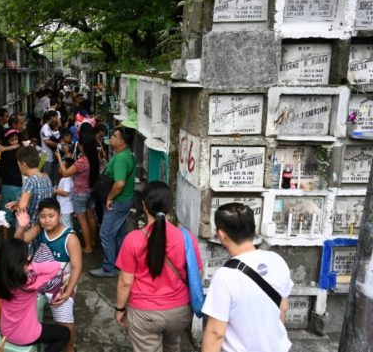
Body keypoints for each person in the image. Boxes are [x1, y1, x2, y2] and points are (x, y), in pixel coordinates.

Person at [114, 182, 202, 352]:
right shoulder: (186, 237)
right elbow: (196, 273)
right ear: (171, 205)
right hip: (180, 313)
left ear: (144, 205)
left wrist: (120, 308)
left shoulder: (133, 239)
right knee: (172, 346)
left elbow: (125, 282)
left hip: (145, 314)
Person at [202, 203, 293, 352]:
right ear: (253, 230)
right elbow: (282, 310)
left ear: (222, 235)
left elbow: (216, 332)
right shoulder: (277, 260)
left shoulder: (225, 276)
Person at [14, 199, 82, 352]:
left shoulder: (70, 238)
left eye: (51, 215)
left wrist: (68, 292)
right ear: (38, 217)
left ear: (59, 215)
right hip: (40, 279)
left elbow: (77, 268)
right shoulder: (39, 229)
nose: (47, 220)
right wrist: (21, 227)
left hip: (62, 282)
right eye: (43, 216)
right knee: (20, 302)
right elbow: (17, 244)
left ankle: (70, 348)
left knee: (65, 319)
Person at [0, 239, 70, 352]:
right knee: (65, 334)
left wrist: (3, 264)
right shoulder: (29, 283)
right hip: (26, 336)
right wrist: (30, 267)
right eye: (26, 259)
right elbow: (55, 267)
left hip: (6, 330)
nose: (28, 259)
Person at [90, 126, 136, 278]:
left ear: (122, 141)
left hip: (117, 202)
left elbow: (120, 183)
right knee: (118, 234)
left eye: (115, 136)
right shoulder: (126, 155)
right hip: (124, 201)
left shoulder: (121, 158)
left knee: (106, 233)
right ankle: (120, 263)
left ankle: (108, 268)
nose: (111, 137)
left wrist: (109, 198)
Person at [57, 140, 99, 255]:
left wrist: (59, 159)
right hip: (92, 191)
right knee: (91, 217)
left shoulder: (82, 161)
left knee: (83, 221)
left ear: (83, 147)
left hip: (81, 192)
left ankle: (88, 247)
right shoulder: (95, 159)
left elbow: (65, 173)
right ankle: (92, 241)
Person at [6, 146, 54, 227]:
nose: (19, 168)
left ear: (24, 165)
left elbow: (22, 208)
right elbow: (36, 200)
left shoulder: (30, 182)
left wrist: (17, 207)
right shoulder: (46, 177)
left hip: (31, 228)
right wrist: (17, 203)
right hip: (44, 226)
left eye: (18, 165)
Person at [0, 129, 23, 237]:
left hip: (5, 186)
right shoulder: (18, 153)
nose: (14, 142)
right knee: (20, 212)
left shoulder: (1, 154)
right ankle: (19, 238)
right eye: (12, 140)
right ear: (7, 141)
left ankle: (5, 239)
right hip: (16, 186)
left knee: (5, 213)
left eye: (15, 139)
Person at [40, 110, 60, 185]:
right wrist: (58, 145)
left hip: (49, 156)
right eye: (56, 117)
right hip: (46, 156)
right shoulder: (45, 127)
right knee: (46, 177)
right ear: (52, 117)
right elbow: (47, 141)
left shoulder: (49, 127)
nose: (57, 119)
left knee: (51, 177)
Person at [54, 158, 74, 229]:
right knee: (68, 225)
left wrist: (56, 191)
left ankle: (70, 239)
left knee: (66, 227)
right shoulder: (67, 178)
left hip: (65, 208)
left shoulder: (66, 178)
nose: (59, 167)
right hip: (66, 208)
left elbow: (66, 192)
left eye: (62, 166)